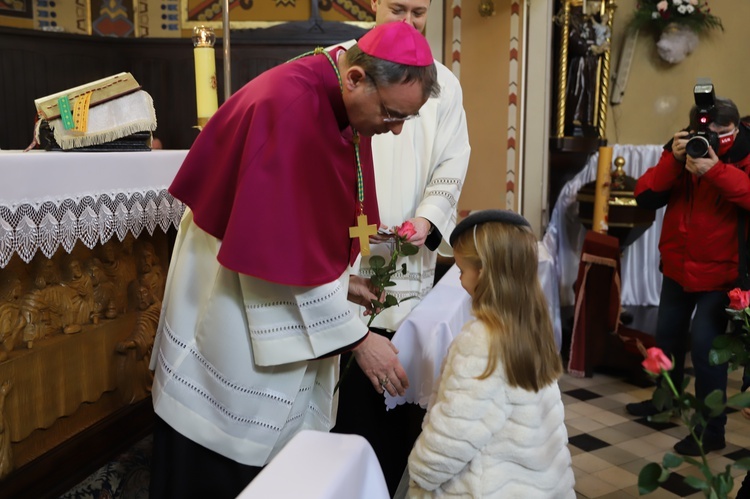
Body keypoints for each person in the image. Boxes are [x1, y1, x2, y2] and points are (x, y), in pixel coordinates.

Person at [148, 21, 440, 499]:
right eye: (391, 115)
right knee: (224, 440)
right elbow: (269, 253)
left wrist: (343, 282)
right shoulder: (289, 108)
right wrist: (358, 339)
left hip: (265, 270)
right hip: (232, 293)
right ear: (355, 78)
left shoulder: (340, 99)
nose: (395, 130)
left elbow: (300, 232)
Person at [330, 0, 470, 493]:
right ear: (371, 2)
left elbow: (452, 163)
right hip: (344, 260)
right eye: (396, 8)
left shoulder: (443, 85)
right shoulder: (343, 67)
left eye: (418, 11)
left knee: (393, 409)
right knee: (339, 410)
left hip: (408, 266)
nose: (409, 22)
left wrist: (428, 219)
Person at [406, 210, 575, 498]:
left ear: (483, 273)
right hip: (533, 484)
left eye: (461, 270)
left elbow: (454, 436)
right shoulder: (530, 323)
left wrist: (421, 472)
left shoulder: (482, 341)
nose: (459, 279)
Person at [626, 97, 750, 456]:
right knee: (665, 340)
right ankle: (664, 404)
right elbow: (645, 195)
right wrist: (675, 160)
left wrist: (714, 170)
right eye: (702, 132)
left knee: (706, 350)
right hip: (678, 267)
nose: (709, 140)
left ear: (735, 127)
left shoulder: (745, 151)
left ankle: (712, 430)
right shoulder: (680, 151)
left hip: (721, 274)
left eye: (719, 133)